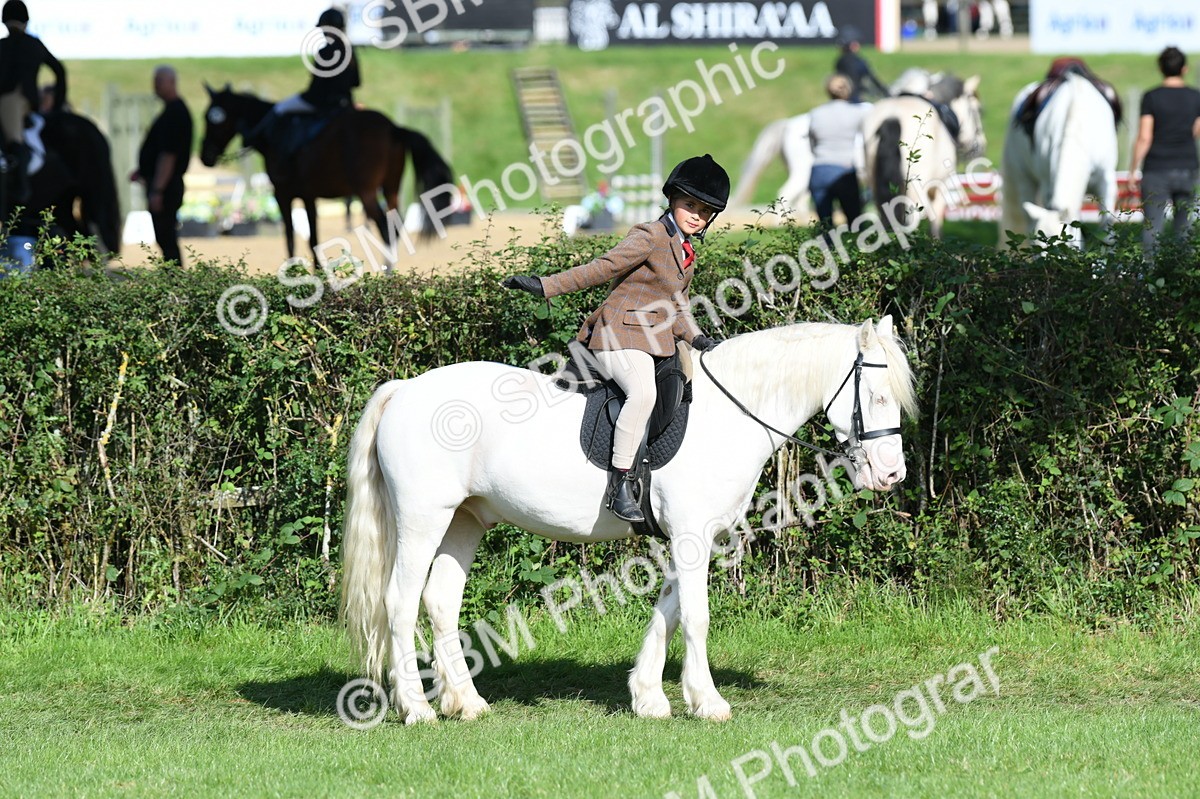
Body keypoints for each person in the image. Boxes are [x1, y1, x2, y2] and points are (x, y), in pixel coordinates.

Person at [501, 155, 727, 523]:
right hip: (618, 334)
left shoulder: (687, 253)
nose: (696, 215)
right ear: (672, 198)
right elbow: (603, 268)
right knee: (643, 393)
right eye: (690, 205)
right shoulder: (650, 236)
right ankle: (620, 484)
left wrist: (699, 339)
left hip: (655, 340)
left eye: (705, 210)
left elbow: (678, 306)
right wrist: (546, 286)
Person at [247, 7, 360, 156]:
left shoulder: (325, 52)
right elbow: (356, 82)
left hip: (321, 102)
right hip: (345, 103)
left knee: (280, 109)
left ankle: (276, 151)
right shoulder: (350, 51)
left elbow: (317, 87)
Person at [1129, 46, 1200, 257]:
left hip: (1156, 170)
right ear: (1184, 69)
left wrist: (1133, 168)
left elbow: (1144, 137)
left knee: (1153, 230)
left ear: (1161, 68)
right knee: (1184, 231)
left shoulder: (1151, 97)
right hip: (1187, 167)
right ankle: (1182, 281)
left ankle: (1151, 282)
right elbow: (1196, 130)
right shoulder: (1196, 97)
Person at [0, 0, 66, 203]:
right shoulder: (34, 43)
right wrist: (57, 105)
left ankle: (21, 186)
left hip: (12, 99)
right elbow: (59, 71)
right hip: (29, 99)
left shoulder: (3, 46)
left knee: (14, 138)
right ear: (26, 21)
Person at [131, 66, 192, 266]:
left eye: (159, 81)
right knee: (164, 237)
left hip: (167, 186)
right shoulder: (171, 112)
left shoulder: (175, 114)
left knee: (166, 236)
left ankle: (174, 281)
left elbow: (169, 156)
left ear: (171, 82)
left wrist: (158, 190)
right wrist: (143, 170)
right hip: (165, 184)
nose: (155, 86)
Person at [808, 74, 871, 229]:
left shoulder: (816, 113)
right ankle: (856, 251)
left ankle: (827, 250)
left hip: (819, 170)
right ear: (848, 90)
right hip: (844, 171)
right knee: (855, 223)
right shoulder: (858, 112)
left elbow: (812, 142)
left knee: (825, 225)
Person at [834, 25, 887, 103]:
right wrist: (886, 93)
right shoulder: (859, 61)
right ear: (852, 45)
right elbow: (872, 79)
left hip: (841, 99)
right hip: (855, 99)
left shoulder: (839, 61)